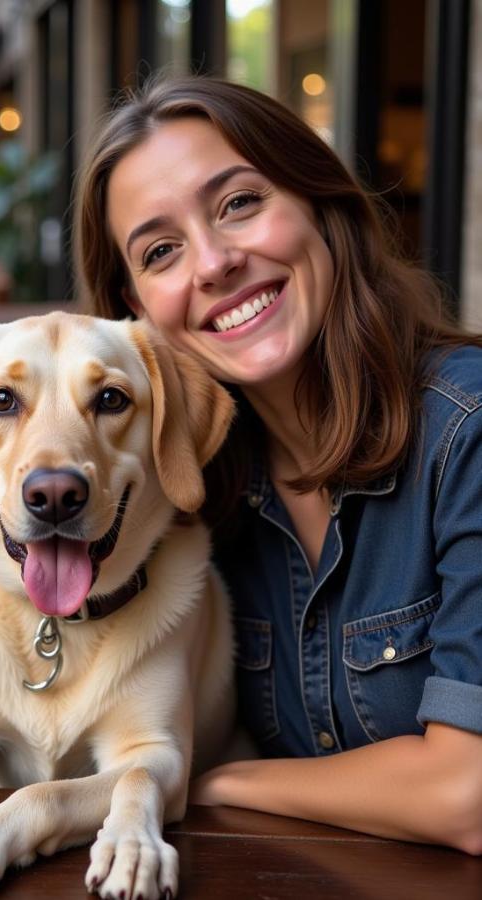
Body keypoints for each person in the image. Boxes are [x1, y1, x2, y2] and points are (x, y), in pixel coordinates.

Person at [74, 75, 482, 854]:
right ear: (135, 310)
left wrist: (211, 781)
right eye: (161, 251)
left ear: (317, 201)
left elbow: (469, 793)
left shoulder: (466, 438)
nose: (214, 263)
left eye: (239, 203)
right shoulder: (188, 494)